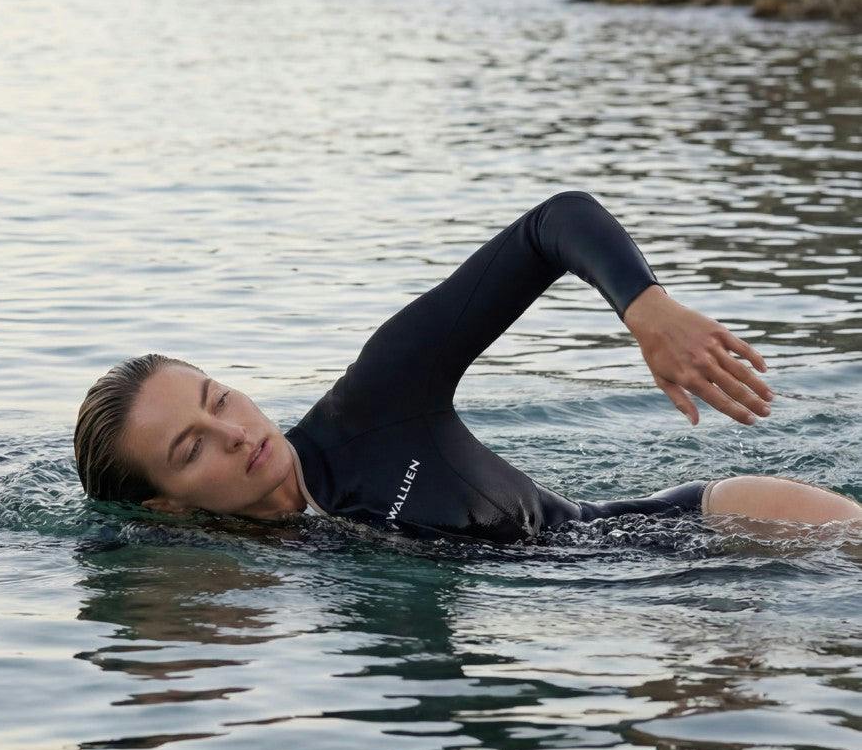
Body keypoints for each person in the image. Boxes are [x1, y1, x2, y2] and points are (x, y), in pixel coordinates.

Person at [73, 192, 862, 543]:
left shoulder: (375, 401)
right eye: (191, 448)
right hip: (631, 623)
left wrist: (646, 309)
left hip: (709, 534)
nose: (233, 432)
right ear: (166, 506)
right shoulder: (223, 560)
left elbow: (553, 224)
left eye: (218, 399)